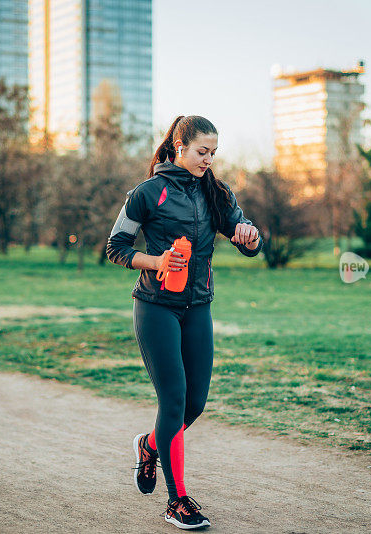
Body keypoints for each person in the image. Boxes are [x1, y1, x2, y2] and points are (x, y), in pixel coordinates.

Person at [106, 115, 262, 530]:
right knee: (173, 400)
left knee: (194, 404)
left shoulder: (217, 193)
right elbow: (115, 246)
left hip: (198, 308)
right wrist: (155, 261)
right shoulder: (147, 193)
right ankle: (177, 501)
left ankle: (148, 445)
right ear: (179, 147)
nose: (208, 159)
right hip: (155, 306)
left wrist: (250, 235)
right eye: (201, 152)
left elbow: (243, 235)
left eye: (213, 153)